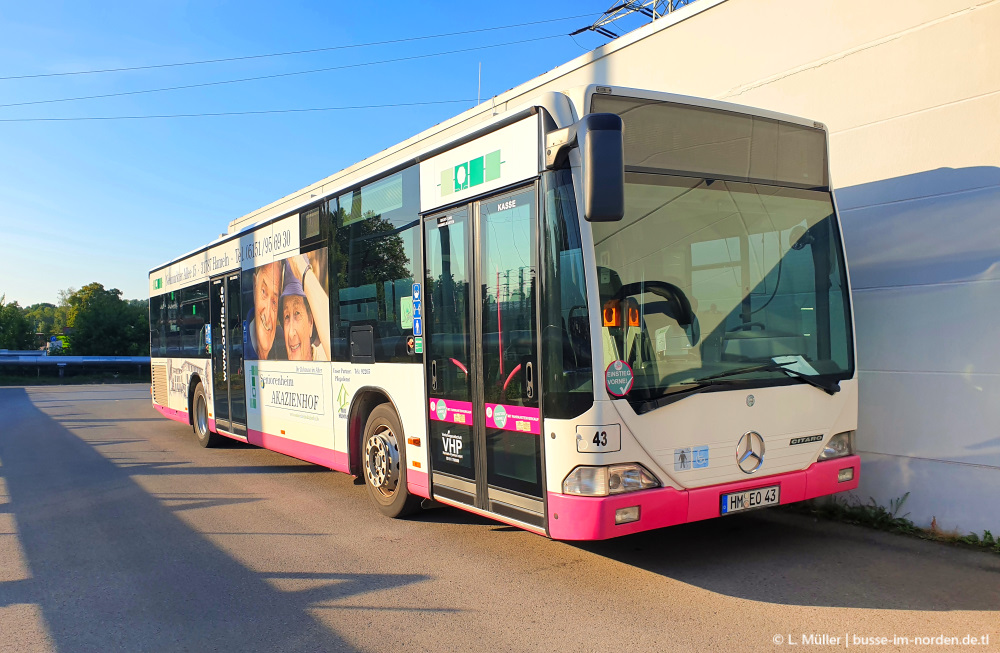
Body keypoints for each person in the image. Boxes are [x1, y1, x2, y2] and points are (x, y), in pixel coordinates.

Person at [282, 255, 331, 361]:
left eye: (297, 313)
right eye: (286, 316)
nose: (291, 333)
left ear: (311, 322)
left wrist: (299, 265)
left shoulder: (324, 358)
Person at [245, 261, 284, 360]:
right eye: (263, 292)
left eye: (274, 302)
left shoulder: (285, 343)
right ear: (254, 286)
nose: (267, 315)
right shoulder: (242, 343)